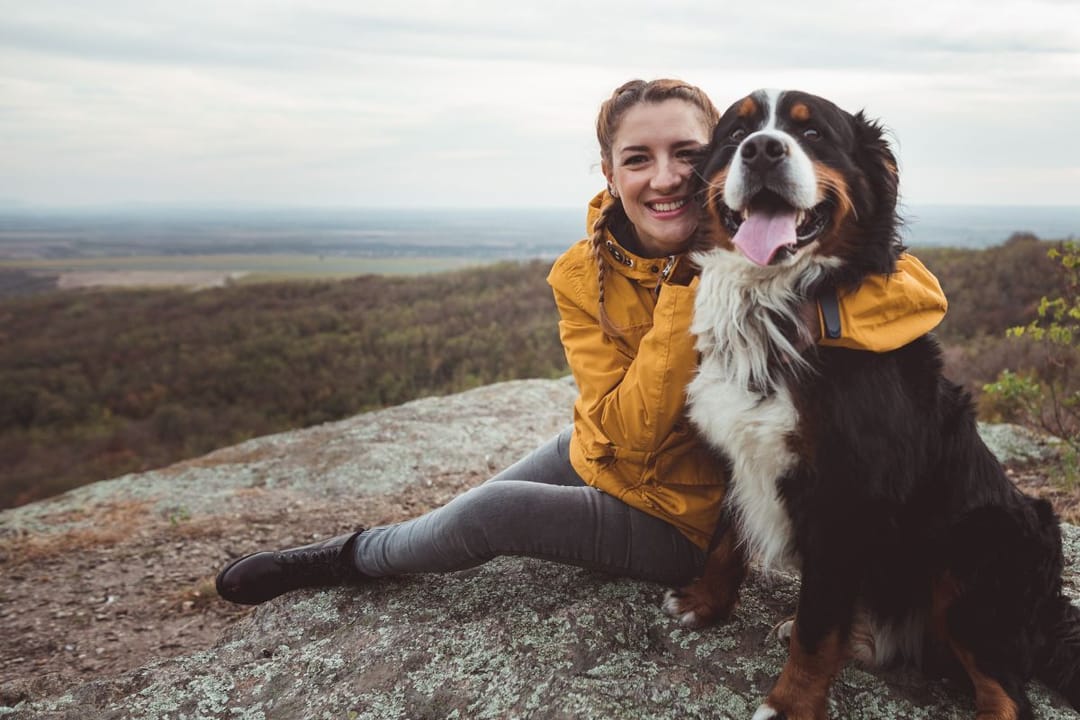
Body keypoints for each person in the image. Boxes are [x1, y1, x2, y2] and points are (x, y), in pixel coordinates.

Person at [215, 79, 948, 606]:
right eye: (637, 159)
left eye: (686, 155)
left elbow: (912, 290)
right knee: (493, 488)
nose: (664, 179)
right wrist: (691, 291)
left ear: (718, 167)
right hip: (620, 450)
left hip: (691, 515)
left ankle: (347, 561)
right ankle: (378, 544)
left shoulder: (770, 254)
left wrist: (739, 287)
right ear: (610, 172)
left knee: (490, 516)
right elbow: (624, 430)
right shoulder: (581, 272)